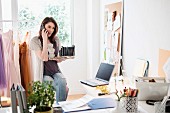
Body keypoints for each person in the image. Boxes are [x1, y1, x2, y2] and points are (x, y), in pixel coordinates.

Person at [30, 17, 68, 102]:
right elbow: (44, 58)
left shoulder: (56, 40)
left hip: (55, 70)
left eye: (53, 28)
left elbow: (57, 56)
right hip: (44, 73)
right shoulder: (35, 40)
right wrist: (44, 39)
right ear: (43, 27)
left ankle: (59, 108)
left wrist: (61, 58)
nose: (51, 30)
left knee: (62, 81)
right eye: (49, 27)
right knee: (60, 87)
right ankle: (60, 108)